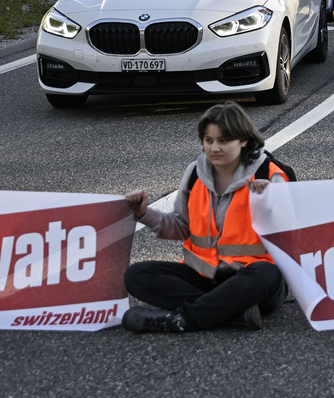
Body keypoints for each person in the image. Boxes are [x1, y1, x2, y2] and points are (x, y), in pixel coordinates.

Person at [122, 102, 289, 333]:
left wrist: (269, 201)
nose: (214, 148)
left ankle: (183, 319)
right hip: (204, 275)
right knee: (136, 275)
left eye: (223, 140)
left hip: (250, 279)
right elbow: (181, 227)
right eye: (208, 140)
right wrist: (143, 214)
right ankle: (232, 312)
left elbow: (291, 235)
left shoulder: (269, 174)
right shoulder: (194, 173)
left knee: (267, 274)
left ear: (244, 140)